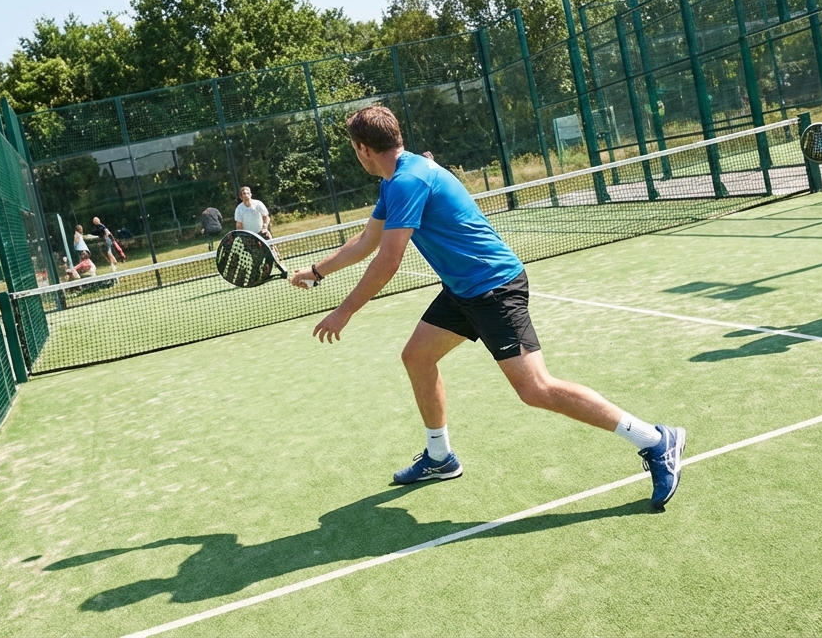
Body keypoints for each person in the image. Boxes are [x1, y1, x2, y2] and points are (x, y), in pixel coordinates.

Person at [287, 106, 685, 512]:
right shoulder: (396, 181)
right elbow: (366, 240)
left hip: (495, 287)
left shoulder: (408, 181)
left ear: (362, 149)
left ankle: (655, 440)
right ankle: (440, 457)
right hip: (463, 290)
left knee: (536, 389)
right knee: (417, 357)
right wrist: (317, 271)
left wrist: (345, 311)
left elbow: (387, 260)